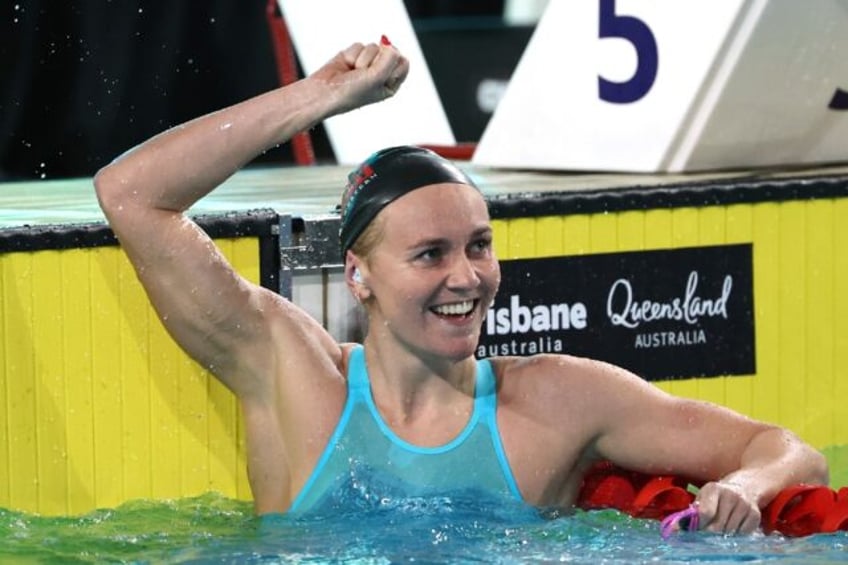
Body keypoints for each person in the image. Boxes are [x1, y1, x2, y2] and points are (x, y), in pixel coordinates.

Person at [94, 39, 828, 534]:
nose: (466, 276)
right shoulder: (289, 373)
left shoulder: (556, 398)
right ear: (361, 274)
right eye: (430, 254)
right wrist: (318, 97)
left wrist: (750, 489)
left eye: (479, 245)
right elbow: (129, 194)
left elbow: (787, 448)